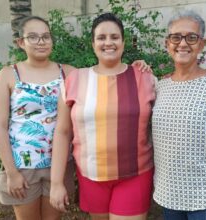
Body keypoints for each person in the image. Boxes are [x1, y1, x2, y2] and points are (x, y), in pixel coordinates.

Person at [49, 13, 156, 220]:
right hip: (90, 176)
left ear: (123, 42)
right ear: (93, 43)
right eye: (101, 37)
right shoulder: (75, 80)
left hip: (135, 175)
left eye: (114, 37)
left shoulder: (145, 78)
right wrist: (56, 183)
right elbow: (62, 133)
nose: (108, 42)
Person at [152, 10, 206, 220]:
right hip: (168, 194)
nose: (183, 44)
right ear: (167, 43)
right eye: (176, 37)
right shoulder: (159, 86)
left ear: (201, 44)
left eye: (191, 37)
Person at [0, 16, 76, 220]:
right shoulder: (8, 75)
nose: (41, 41)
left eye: (46, 36)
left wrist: (138, 67)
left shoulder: (69, 73)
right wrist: (11, 172)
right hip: (22, 167)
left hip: (60, 164)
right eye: (33, 37)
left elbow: (102, 78)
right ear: (21, 42)